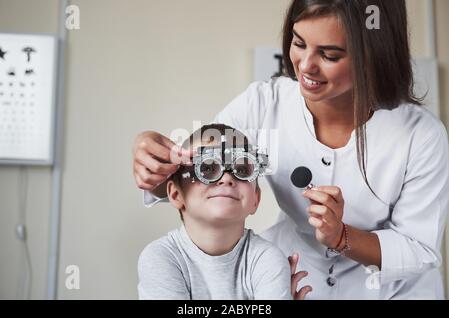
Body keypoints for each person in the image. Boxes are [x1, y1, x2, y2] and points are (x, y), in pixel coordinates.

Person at [133, 0, 449, 299]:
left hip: (393, 290)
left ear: (373, 56)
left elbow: (418, 248)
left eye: (330, 55)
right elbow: (195, 173)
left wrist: (341, 237)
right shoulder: (264, 104)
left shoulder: (420, 135)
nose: (305, 66)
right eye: (298, 43)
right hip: (296, 276)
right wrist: (152, 157)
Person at [138, 124, 311, 300]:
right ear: (175, 194)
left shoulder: (268, 259)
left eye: (242, 170)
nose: (227, 177)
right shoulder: (161, 257)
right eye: (207, 168)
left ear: (255, 200)